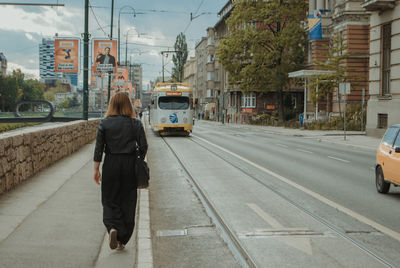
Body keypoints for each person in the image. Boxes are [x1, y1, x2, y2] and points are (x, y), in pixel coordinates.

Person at [93, 92, 148, 250]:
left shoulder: (105, 123)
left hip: (110, 163)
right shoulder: (135, 123)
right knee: (128, 201)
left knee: (109, 199)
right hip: (129, 164)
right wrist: (137, 158)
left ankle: (113, 228)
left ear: (111, 105)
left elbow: (98, 149)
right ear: (128, 105)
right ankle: (122, 239)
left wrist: (96, 169)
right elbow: (144, 146)